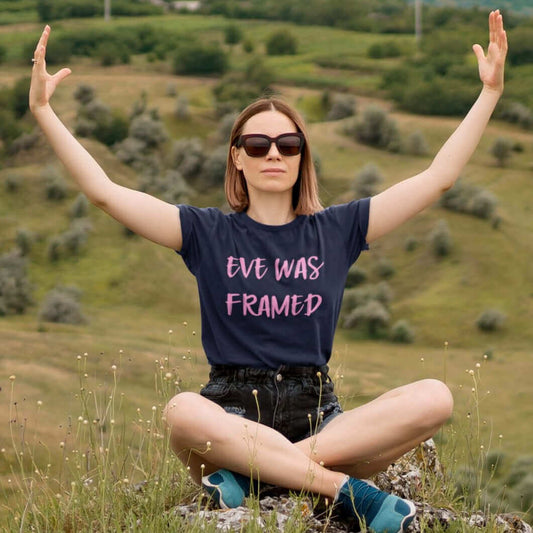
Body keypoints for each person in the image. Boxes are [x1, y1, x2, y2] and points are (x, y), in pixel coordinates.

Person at [29, 10, 507, 532]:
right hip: (228, 414)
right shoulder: (204, 232)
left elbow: (438, 179)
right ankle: (341, 491)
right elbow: (104, 193)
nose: (273, 153)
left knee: (435, 397)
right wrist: (43, 110)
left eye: (289, 144)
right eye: (258, 145)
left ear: (303, 157)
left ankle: (263, 477)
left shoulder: (339, 229)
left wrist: (488, 95)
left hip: (319, 417)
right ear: (237, 157)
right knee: (182, 412)